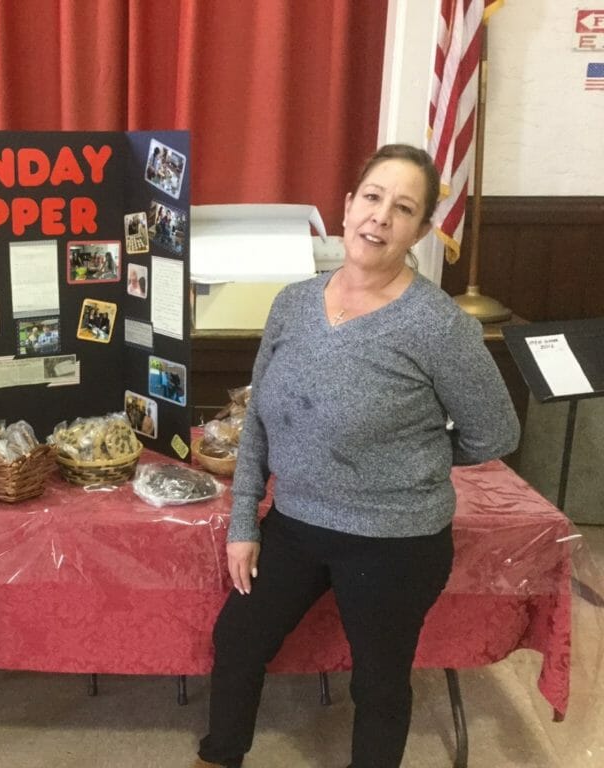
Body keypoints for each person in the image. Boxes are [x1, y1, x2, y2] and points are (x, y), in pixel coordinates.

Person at [196, 144, 520, 768]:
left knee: (377, 683)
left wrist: (407, 459)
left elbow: (494, 432)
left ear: (421, 230)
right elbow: (260, 417)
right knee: (237, 638)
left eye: (402, 209)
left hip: (395, 538)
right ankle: (218, 757)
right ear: (346, 207)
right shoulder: (292, 302)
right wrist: (244, 524)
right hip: (295, 522)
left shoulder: (438, 325)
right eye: (371, 198)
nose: (379, 217)